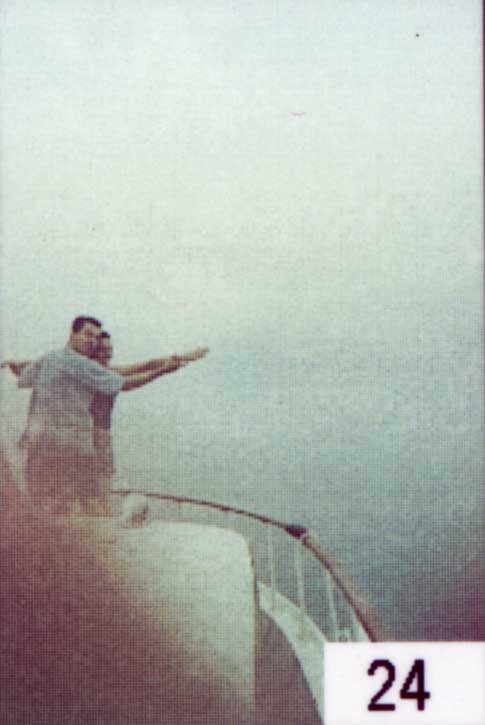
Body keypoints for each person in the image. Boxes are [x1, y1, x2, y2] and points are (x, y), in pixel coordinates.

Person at [1, 316, 195, 515]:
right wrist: (162, 371)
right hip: (72, 445)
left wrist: (14, 365)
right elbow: (125, 384)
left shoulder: (50, 358)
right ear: (73, 333)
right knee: (86, 503)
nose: (92, 341)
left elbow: (25, 375)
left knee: (46, 503)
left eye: (95, 337)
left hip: (39, 442)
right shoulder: (81, 364)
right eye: (87, 334)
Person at [90, 331, 208, 514]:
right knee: (99, 477)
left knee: (103, 476)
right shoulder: (94, 374)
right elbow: (129, 383)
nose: (108, 354)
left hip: (100, 433)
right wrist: (162, 371)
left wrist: (182, 357)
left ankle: (101, 511)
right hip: (91, 433)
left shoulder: (107, 372)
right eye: (103, 350)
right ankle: (99, 513)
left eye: (110, 349)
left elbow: (145, 365)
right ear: (92, 352)